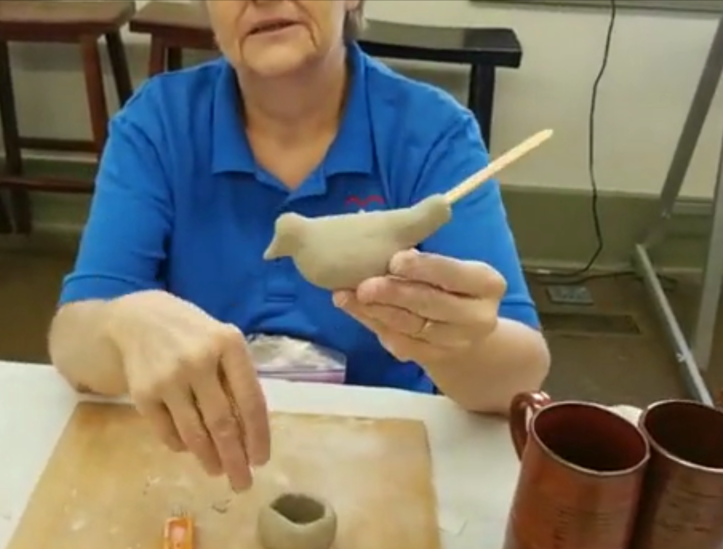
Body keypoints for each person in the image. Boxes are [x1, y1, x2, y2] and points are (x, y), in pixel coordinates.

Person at [49, 0, 550, 492]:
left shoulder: (430, 134)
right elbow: (72, 343)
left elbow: (519, 375)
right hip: (200, 457)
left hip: (379, 462)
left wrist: (458, 342)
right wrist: (123, 324)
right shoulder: (159, 125)